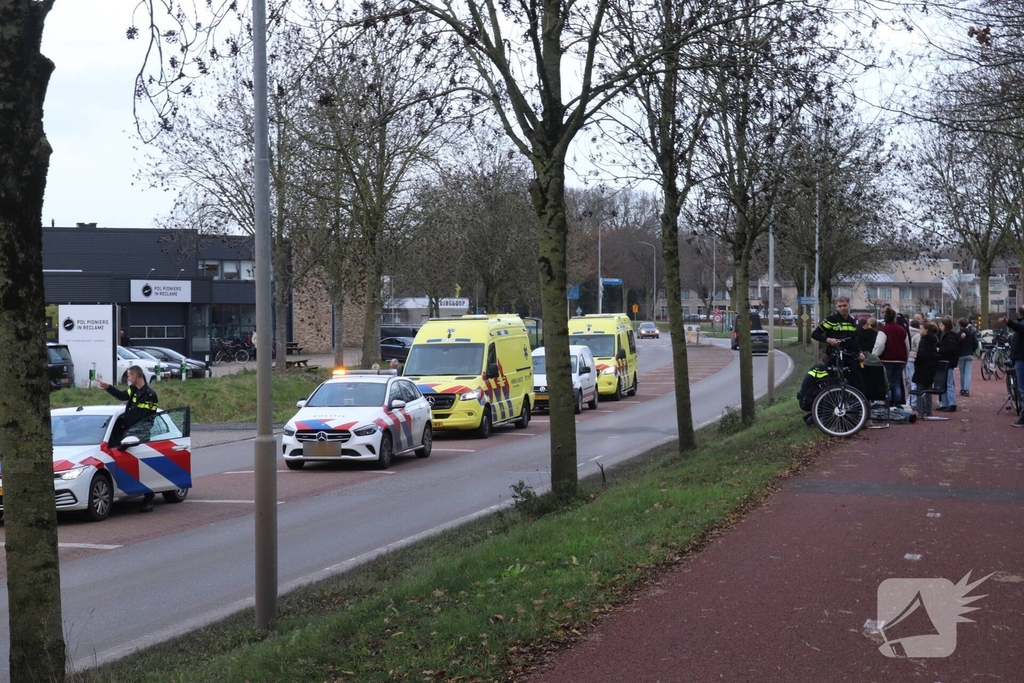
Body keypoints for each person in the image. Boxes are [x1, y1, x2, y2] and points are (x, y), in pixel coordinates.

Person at [97, 365, 159, 512]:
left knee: (144, 467)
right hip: (129, 434)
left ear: (136, 376)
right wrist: (108, 387)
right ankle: (130, 489)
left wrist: (137, 434)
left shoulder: (150, 395)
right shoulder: (134, 391)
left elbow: (147, 419)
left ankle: (149, 498)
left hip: (140, 436)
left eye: (129, 375)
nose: (128, 378)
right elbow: (121, 396)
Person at [811, 295, 865, 393]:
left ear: (849, 305)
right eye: (840, 306)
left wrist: (860, 352)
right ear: (836, 307)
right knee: (834, 384)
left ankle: (854, 404)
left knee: (858, 383)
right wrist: (828, 340)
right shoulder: (832, 319)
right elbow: (815, 334)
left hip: (850, 355)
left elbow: (854, 339)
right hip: (834, 355)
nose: (842, 308)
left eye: (844, 305)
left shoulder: (852, 321)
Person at [874, 308, 909, 407]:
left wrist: (874, 355)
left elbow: (880, 345)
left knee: (887, 382)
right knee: (897, 382)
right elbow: (907, 345)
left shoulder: (884, 330)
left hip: (887, 359)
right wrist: (905, 358)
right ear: (894, 318)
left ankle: (889, 402)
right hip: (900, 359)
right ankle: (898, 401)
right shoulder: (902, 330)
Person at [999, 308, 1024, 427]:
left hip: (1021, 359)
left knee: (1022, 390)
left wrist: (1008, 322)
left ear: (1019, 314)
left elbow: (1019, 328)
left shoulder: (1021, 325)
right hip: (1018, 358)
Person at [912, 321, 940, 418]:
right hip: (931, 369)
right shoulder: (934, 340)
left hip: (922, 369)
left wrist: (916, 362)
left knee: (919, 390)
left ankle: (920, 411)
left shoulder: (923, 341)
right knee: (928, 390)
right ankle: (928, 410)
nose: (920, 331)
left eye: (921, 329)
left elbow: (921, 355)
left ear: (926, 330)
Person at [937, 317, 959, 412]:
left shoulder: (949, 336)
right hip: (946, 362)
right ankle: (946, 403)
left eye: (941, 325)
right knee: (945, 383)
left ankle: (952, 403)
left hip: (948, 362)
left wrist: (940, 350)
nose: (940, 327)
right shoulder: (948, 336)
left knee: (948, 383)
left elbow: (952, 349)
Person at [957, 318, 977, 397]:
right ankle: (966, 389)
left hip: (961, 355)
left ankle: (962, 388)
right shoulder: (971, 334)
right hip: (969, 354)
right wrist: (972, 350)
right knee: (968, 372)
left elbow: (957, 344)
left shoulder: (958, 334)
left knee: (962, 373)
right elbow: (975, 344)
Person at [906, 319, 921, 410]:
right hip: (914, 358)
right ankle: (913, 402)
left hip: (908, 358)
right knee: (914, 381)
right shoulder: (918, 335)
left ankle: (910, 400)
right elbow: (919, 348)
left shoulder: (906, 332)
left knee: (909, 380)